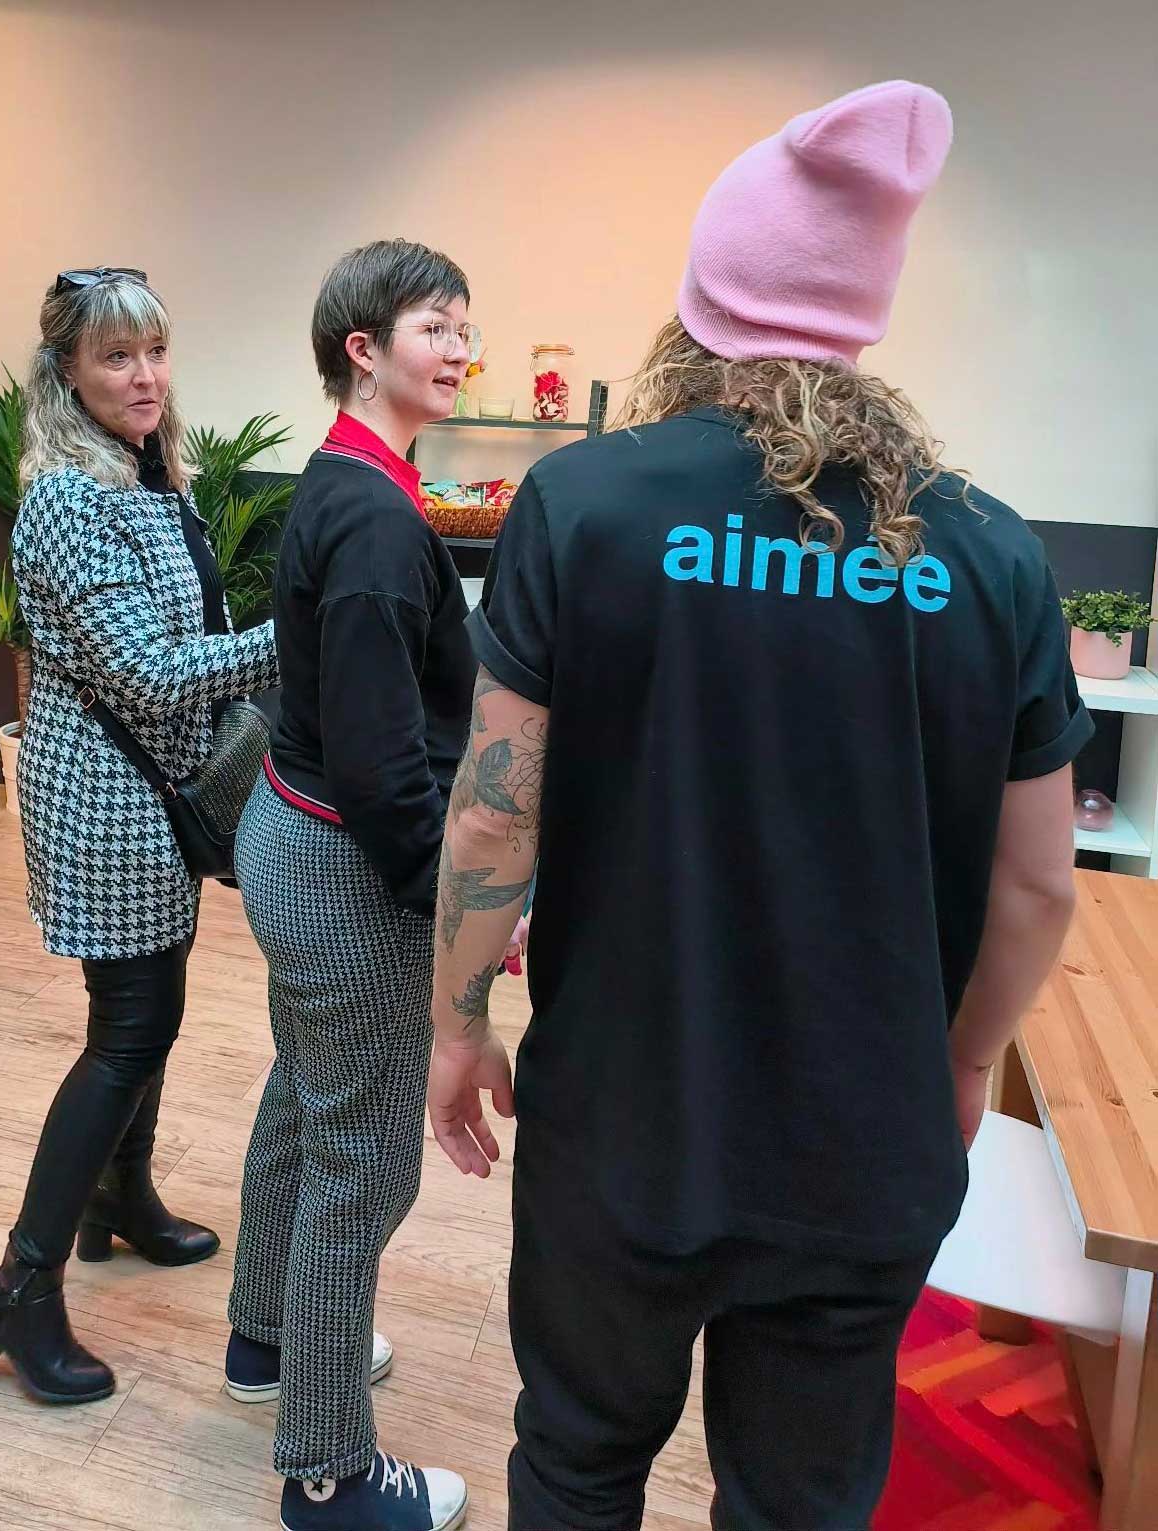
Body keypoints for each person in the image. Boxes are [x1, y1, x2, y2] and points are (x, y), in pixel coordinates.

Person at [428, 81, 1091, 1530]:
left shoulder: (583, 505)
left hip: (621, 1128)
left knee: (577, 1465)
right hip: (862, 1141)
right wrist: (962, 1060)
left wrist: (456, 1022)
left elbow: (489, 817)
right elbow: (1040, 881)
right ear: (863, 319)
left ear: (701, 305)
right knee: (798, 1506)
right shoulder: (989, 551)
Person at [0, 268, 280, 1406]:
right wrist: (298, 633)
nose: (144, 376)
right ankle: (21, 1284)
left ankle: (118, 1199)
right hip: (104, 803)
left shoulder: (149, 476)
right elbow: (145, 673)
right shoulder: (68, 499)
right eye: (114, 356)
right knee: (129, 1031)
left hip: (153, 794)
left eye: (153, 351)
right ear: (67, 372)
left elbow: (179, 638)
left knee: (151, 1014)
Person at [228, 240, 479, 1531]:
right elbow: (388, 776)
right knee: (363, 1165)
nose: (459, 347)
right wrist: (464, 921)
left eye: (464, 326)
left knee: (304, 1098)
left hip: (289, 834)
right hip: (342, 866)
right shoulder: (376, 518)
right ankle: (326, 1472)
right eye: (434, 325)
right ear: (361, 348)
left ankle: (267, 1336)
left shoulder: (341, 478)